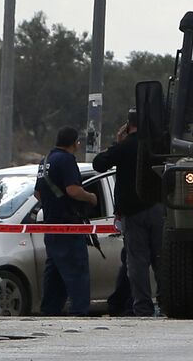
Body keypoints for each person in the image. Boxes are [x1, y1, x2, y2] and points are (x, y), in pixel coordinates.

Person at [92, 108, 163, 317]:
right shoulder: (158, 145)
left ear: (128, 125)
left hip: (133, 212)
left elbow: (99, 163)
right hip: (159, 208)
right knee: (162, 259)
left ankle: (142, 307)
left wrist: (118, 142)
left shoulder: (125, 147)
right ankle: (167, 302)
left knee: (137, 262)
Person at [34, 126, 98, 316]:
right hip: (69, 226)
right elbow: (73, 190)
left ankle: (49, 310)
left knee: (54, 272)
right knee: (76, 271)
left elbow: (37, 194)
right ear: (74, 143)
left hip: (51, 225)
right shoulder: (66, 160)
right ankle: (80, 312)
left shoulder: (45, 161)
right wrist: (91, 197)